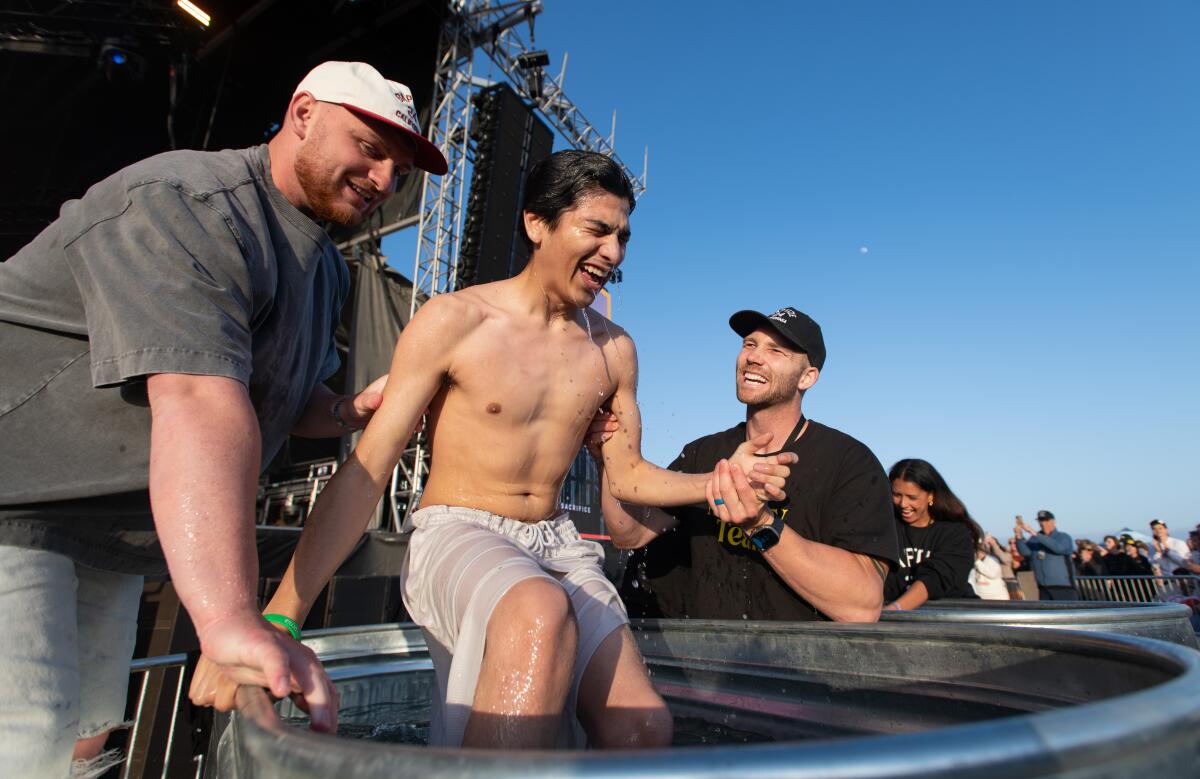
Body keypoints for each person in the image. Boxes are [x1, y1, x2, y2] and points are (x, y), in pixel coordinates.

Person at [192, 150, 798, 750]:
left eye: (623, 237)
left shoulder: (616, 351)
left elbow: (630, 476)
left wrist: (718, 481)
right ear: (538, 224)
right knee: (537, 609)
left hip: (558, 545)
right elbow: (369, 468)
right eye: (597, 230)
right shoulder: (454, 321)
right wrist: (279, 616)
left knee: (642, 727)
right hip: (458, 531)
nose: (613, 253)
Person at [0, 60, 446, 776]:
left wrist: (346, 407)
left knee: (85, 737)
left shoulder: (326, 270)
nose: (386, 180)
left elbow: (283, 399)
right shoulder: (187, 201)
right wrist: (231, 617)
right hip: (14, 494)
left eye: (400, 168)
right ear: (302, 113)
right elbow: (199, 395)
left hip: (104, 532)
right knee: (26, 737)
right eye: (369, 147)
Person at [595, 307, 898, 623]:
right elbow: (628, 533)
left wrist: (760, 524)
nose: (753, 357)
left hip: (799, 667)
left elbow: (862, 605)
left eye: (775, 350)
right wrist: (608, 460)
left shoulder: (848, 462)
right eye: (749, 345)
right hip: (700, 661)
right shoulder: (703, 452)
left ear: (808, 377)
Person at [882, 459, 980, 609]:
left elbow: (937, 577)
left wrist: (895, 609)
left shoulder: (955, 533)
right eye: (896, 495)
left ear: (930, 496)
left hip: (948, 616)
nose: (903, 504)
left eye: (912, 497)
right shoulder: (884, 529)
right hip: (891, 619)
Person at [1014, 510, 1078, 600]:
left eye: (1046, 520)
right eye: (1041, 521)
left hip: (1062, 587)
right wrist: (1019, 536)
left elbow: (1059, 548)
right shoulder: (1034, 539)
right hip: (1043, 587)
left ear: (1053, 521)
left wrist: (1035, 533)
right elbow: (1026, 553)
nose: (1043, 523)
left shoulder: (1063, 537)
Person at [984, 533, 1022, 600]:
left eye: (990, 543)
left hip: (1009, 582)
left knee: (1014, 603)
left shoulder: (1005, 553)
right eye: (987, 543)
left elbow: (1004, 559)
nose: (989, 545)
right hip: (996, 584)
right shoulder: (986, 556)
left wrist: (994, 545)